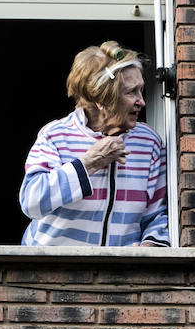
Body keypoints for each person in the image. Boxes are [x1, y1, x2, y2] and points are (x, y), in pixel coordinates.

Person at [20, 41, 169, 246]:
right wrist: (89, 163)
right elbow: (31, 202)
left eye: (141, 91)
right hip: (52, 270)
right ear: (102, 99)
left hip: (120, 273)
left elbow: (157, 215)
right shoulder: (56, 135)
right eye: (131, 92)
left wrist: (147, 252)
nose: (141, 101)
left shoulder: (149, 143)